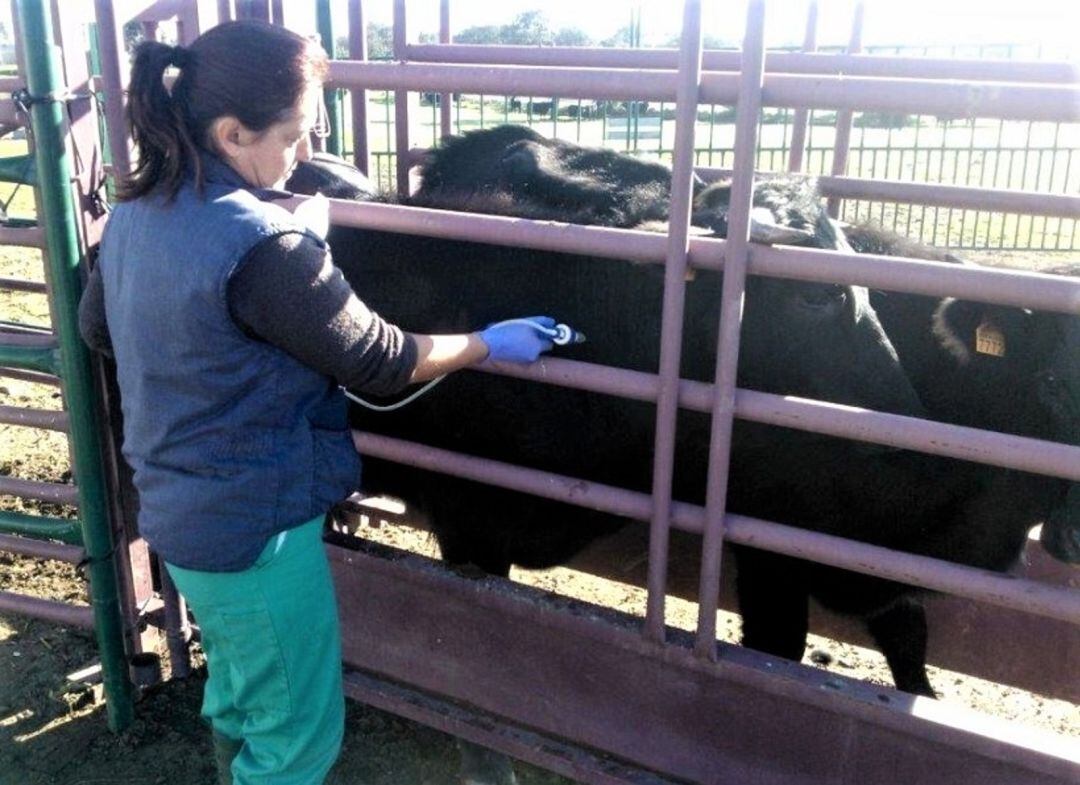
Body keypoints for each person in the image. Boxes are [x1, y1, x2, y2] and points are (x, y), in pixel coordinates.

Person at [78, 21, 556, 785]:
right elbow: (383, 359)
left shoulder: (139, 211)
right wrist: (485, 343)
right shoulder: (268, 249)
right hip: (258, 531)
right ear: (232, 132)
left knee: (238, 691)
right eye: (296, 135)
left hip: (179, 516)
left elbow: (96, 327)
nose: (305, 155)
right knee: (297, 738)